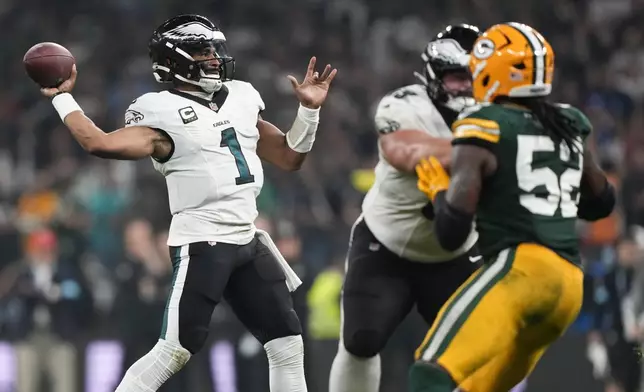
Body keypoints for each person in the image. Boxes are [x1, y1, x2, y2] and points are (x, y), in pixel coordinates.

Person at [37, 14, 337, 392]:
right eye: (200, 50)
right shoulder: (159, 111)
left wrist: (309, 111)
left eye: (213, 48)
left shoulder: (241, 97)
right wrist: (63, 97)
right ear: (174, 60)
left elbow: (291, 157)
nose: (213, 57)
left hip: (247, 239)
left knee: (287, 344)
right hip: (203, 241)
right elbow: (99, 142)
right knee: (174, 350)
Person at [409, 22, 616, 392]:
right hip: (569, 286)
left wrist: (440, 194)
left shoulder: (483, 124)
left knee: (429, 371)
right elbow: (602, 202)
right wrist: (549, 201)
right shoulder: (567, 122)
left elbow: (451, 232)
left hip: (521, 272)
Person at [329, 24, 483, 392]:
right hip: (386, 246)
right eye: (455, 77)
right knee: (361, 340)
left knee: (472, 353)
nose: (464, 87)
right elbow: (405, 152)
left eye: (472, 77)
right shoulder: (402, 104)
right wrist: (488, 150)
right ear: (433, 75)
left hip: (456, 251)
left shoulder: (496, 112)